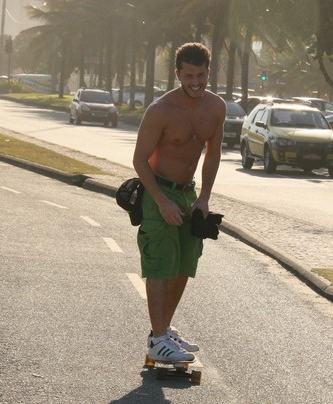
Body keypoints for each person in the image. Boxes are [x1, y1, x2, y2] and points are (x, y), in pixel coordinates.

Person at [132, 42, 225, 362]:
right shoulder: (161, 110)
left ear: (208, 72)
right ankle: (158, 340)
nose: (196, 82)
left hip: (188, 192)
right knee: (160, 263)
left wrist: (204, 198)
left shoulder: (216, 107)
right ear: (177, 74)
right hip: (159, 191)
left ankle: (164, 329)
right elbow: (140, 160)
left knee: (185, 263)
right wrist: (161, 202)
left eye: (201, 75)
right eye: (189, 75)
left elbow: (213, 153)